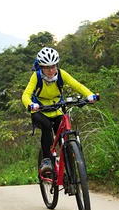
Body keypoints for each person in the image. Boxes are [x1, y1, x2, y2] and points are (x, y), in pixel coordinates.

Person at [22, 47, 97, 179]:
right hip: (40, 110)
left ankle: (69, 160)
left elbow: (77, 85)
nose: (51, 70)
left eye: (53, 66)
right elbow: (26, 95)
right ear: (41, 67)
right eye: (46, 67)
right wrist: (30, 104)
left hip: (56, 109)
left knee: (63, 132)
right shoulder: (36, 76)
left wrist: (90, 95)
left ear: (57, 65)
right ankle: (46, 161)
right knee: (46, 126)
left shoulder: (62, 74)